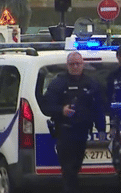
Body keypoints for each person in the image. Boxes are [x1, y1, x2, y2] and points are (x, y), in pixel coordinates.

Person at [41, 52, 106, 193]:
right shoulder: (59, 83)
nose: (75, 67)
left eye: (78, 63)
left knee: (75, 167)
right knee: (68, 170)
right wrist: (61, 110)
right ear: (67, 65)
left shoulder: (90, 84)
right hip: (65, 132)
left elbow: (98, 108)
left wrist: (101, 129)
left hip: (82, 133)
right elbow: (46, 106)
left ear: (82, 64)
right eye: (72, 64)